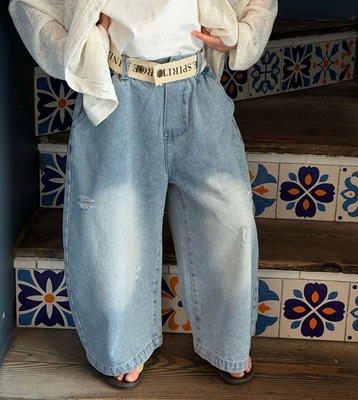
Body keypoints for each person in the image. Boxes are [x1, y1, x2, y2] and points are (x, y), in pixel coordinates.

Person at [9, 0, 277, 389]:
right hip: (120, 94)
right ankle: (123, 345)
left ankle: (229, 342)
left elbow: (261, 4)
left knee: (230, 219)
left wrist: (243, 37)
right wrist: (82, 44)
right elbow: (29, 6)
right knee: (113, 229)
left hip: (196, 87)